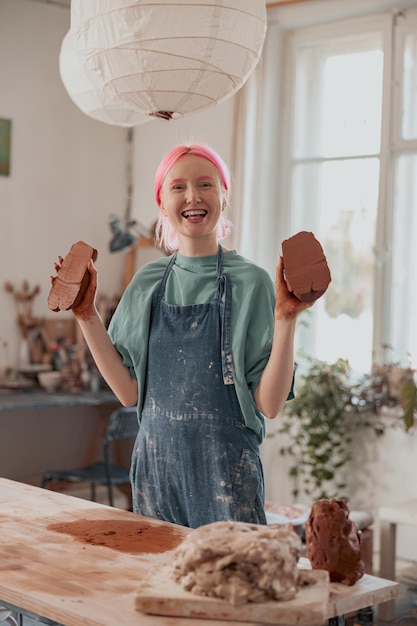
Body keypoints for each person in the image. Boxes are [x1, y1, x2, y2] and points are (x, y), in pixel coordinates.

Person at [56, 143, 313, 528]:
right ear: (161, 202)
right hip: (156, 474)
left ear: (224, 196)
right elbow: (129, 393)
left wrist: (286, 317)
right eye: (178, 187)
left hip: (227, 473)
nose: (193, 196)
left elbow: (270, 405)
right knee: (163, 585)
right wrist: (85, 314)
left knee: (231, 586)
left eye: (205, 184)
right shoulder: (146, 282)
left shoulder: (253, 282)